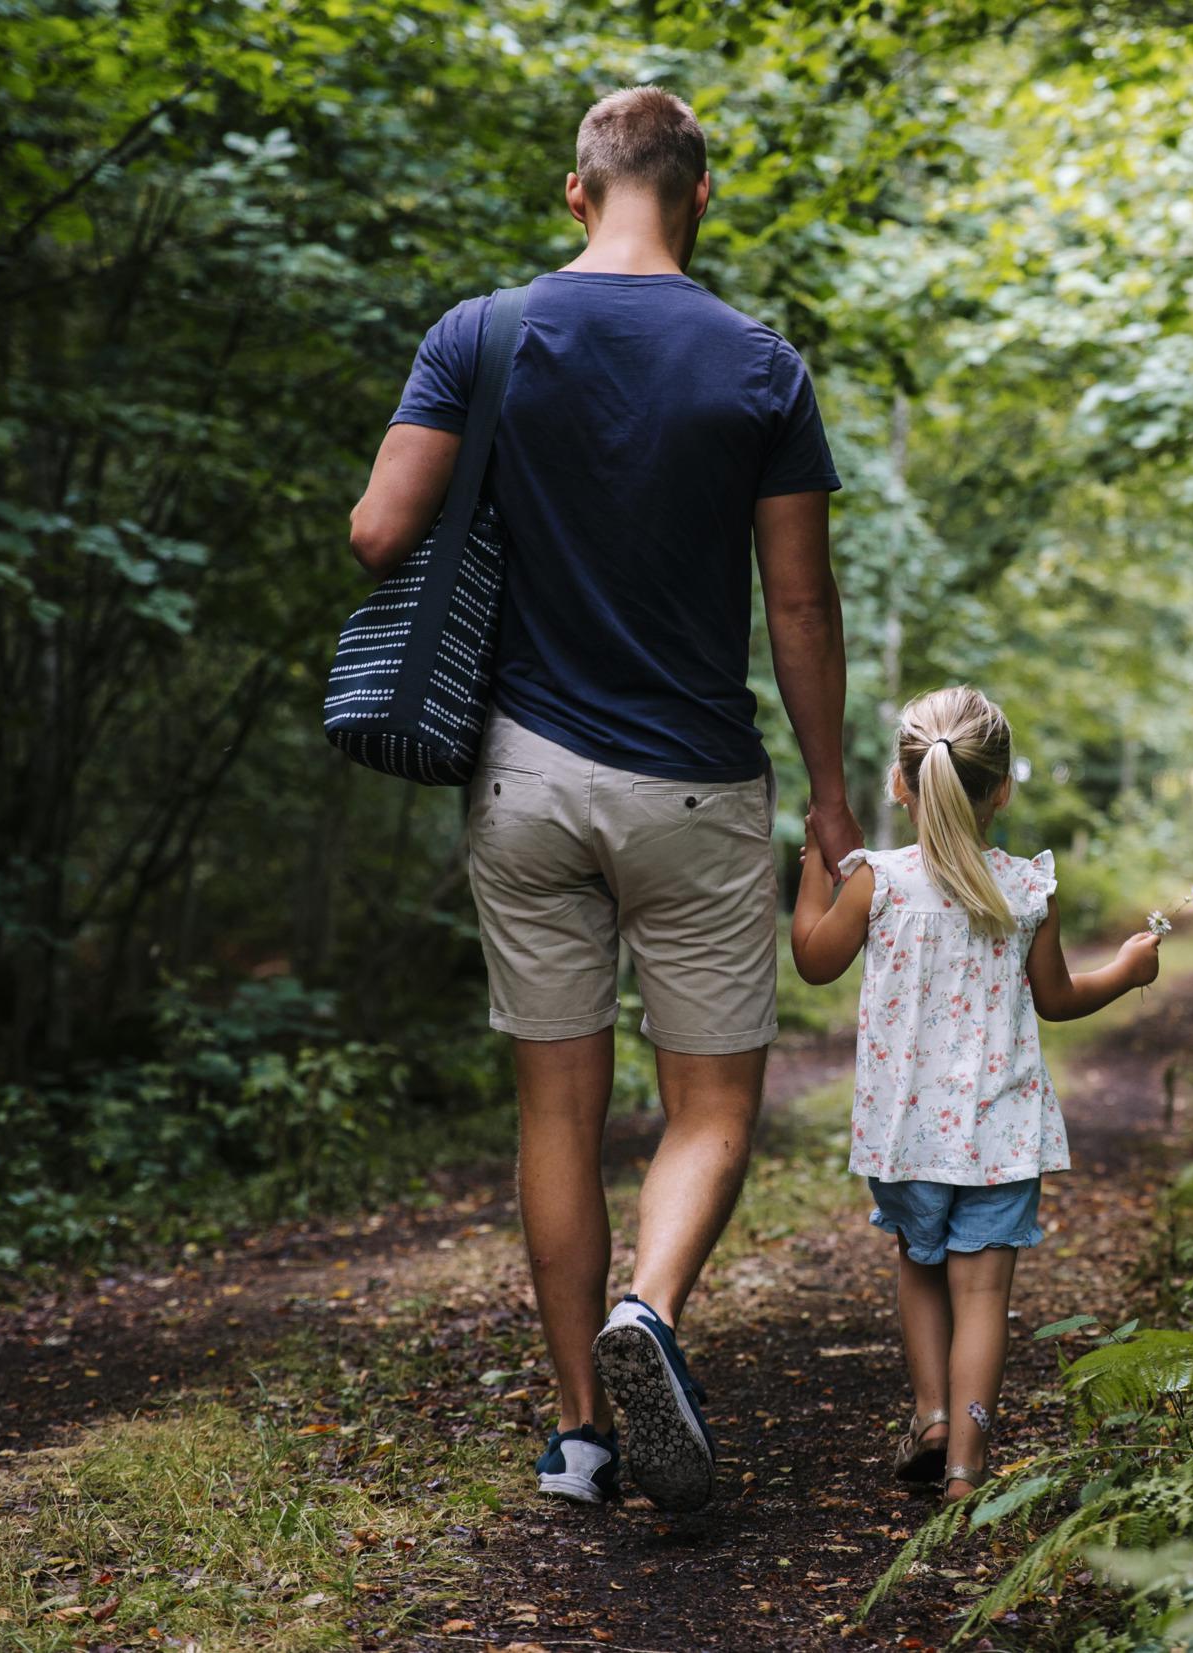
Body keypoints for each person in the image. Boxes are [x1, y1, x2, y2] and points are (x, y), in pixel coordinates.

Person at [346, 86, 865, 1513]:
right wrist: (830, 801)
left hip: (524, 776)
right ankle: (652, 1306)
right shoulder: (761, 366)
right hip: (694, 786)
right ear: (700, 197)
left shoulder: (480, 335)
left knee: (556, 1113)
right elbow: (800, 603)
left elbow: (380, 532)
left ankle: (580, 1434)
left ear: (577, 192)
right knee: (710, 1103)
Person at [788, 686, 1162, 1500]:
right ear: (1002, 791)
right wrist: (1128, 969)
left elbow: (813, 959)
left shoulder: (878, 882)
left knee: (919, 1266)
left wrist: (815, 861)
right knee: (984, 1292)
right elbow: (1058, 999)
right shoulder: (1026, 889)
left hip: (905, 1135)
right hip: (1000, 1134)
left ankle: (930, 1415)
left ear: (901, 783)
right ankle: (966, 1466)